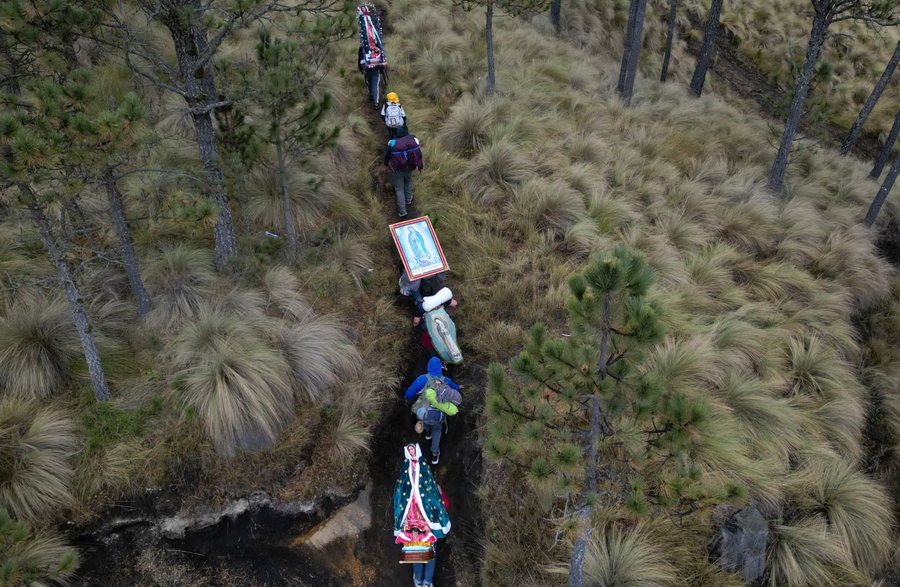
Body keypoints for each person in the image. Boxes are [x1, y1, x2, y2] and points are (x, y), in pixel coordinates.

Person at [393, 444, 451, 587]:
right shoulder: (406, 473)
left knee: (421, 551)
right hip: (413, 519)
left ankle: (423, 581)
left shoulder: (424, 472)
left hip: (425, 520)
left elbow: (433, 496)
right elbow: (400, 494)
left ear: (417, 451)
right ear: (407, 453)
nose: (412, 452)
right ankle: (422, 581)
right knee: (420, 551)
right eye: (409, 450)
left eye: (413, 450)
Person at [405, 357, 462, 464]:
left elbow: (408, 395)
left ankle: (427, 432)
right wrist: (459, 387)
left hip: (424, 413)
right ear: (440, 368)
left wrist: (408, 398)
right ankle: (435, 455)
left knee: (425, 417)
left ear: (428, 367)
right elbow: (455, 387)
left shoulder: (422, 379)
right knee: (437, 429)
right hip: (438, 416)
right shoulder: (446, 380)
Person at [384, 127, 423, 218]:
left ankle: (402, 211)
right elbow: (419, 154)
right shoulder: (414, 140)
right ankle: (408, 199)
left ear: (396, 134)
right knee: (408, 181)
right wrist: (419, 166)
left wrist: (386, 164)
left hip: (397, 169)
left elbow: (387, 156)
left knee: (399, 188)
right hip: (410, 166)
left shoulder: (392, 142)